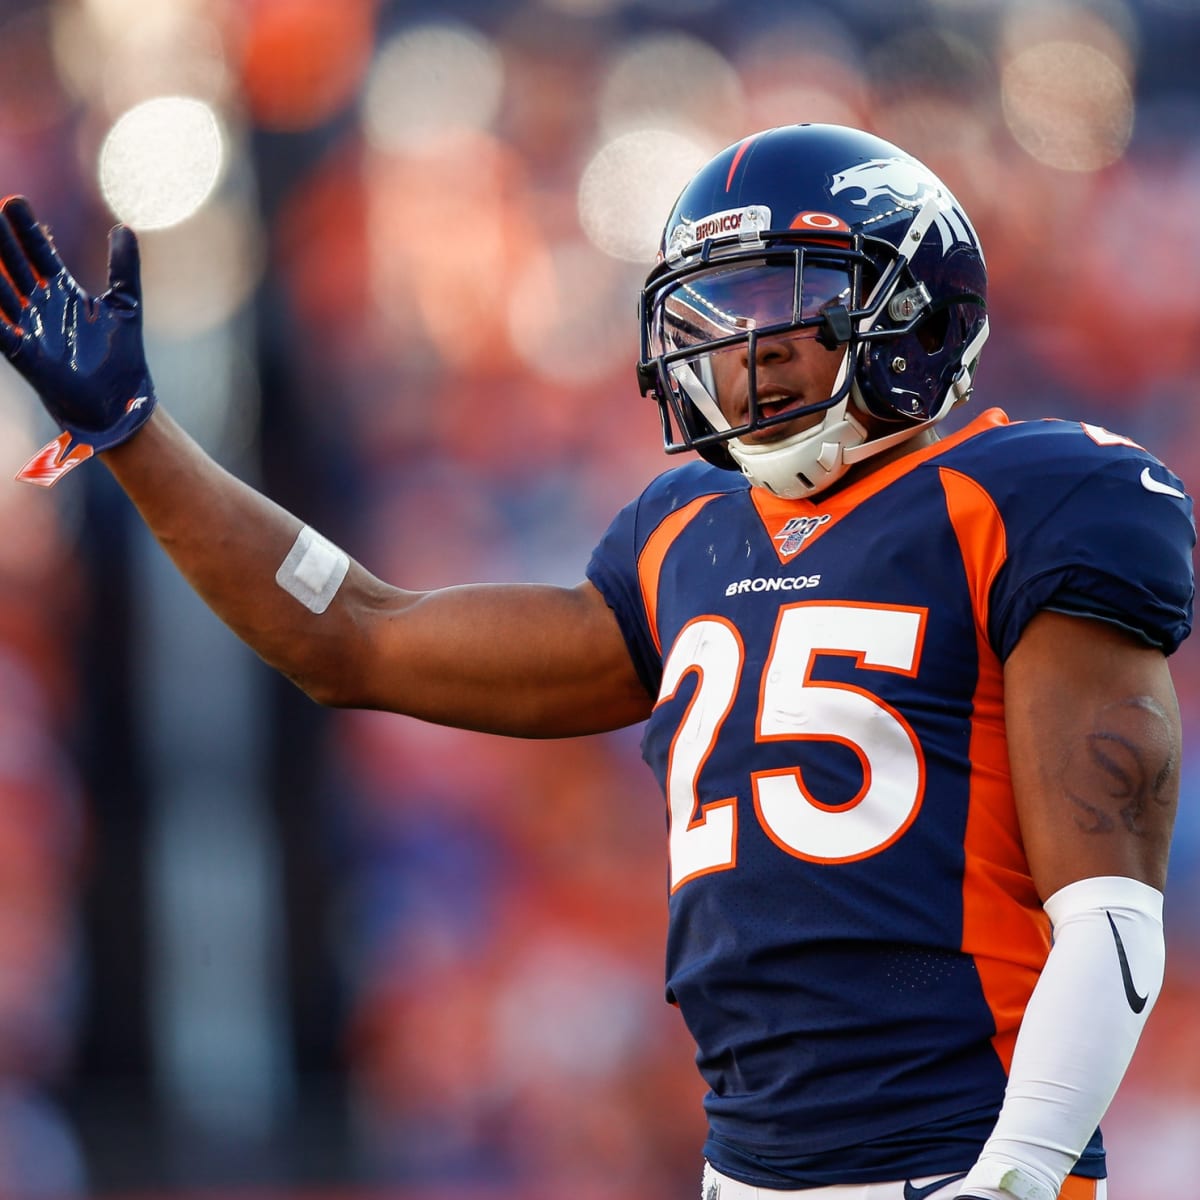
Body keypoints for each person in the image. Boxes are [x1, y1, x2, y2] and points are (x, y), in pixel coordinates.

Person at [0, 123, 1193, 1200]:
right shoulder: (685, 533)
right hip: (749, 1168)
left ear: (917, 314)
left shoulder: (1034, 497)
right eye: (716, 311)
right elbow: (351, 633)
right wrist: (135, 438)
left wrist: (1021, 1173)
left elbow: (1109, 912)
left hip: (961, 1152)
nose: (750, 346)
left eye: (790, 295)